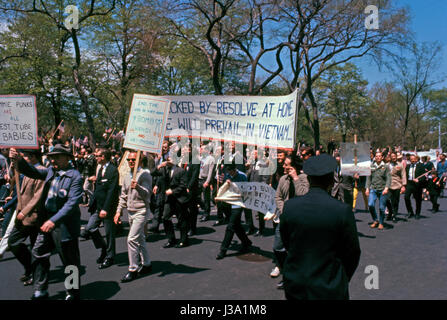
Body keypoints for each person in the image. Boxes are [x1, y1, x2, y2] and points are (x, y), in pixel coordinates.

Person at [280, 154, 361, 300]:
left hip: (296, 283)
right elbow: (353, 252)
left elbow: (287, 243)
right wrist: (341, 278)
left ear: (309, 179)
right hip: (329, 285)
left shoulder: (290, 207)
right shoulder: (342, 210)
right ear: (331, 181)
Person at [10, 145, 83, 300]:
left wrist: (53, 220)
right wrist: (18, 160)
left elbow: (71, 204)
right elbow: (33, 171)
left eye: (57, 156)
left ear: (68, 158)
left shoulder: (75, 176)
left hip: (64, 226)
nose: (53, 160)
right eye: (51, 156)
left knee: (69, 262)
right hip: (46, 223)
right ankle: (40, 290)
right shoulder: (51, 171)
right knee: (38, 253)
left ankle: (73, 292)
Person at [269, 155, 309, 288]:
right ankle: (286, 271)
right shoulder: (282, 179)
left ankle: (292, 278)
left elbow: (303, 194)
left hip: (299, 220)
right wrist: (283, 211)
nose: (284, 167)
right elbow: (278, 196)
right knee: (278, 247)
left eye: (287, 165)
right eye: (284, 165)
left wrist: (295, 178)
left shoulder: (304, 178)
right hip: (285, 218)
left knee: (295, 251)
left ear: (295, 167)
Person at [7, 149, 45, 287]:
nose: (24, 158)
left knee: (36, 248)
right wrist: (13, 161)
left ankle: (36, 276)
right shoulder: (27, 170)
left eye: (25, 156)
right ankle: (30, 268)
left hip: (33, 216)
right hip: (21, 214)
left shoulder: (41, 171)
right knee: (13, 242)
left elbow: (38, 196)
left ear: (33, 157)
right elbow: (13, 179)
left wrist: (26, 211)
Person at [114, 151, 153, 283]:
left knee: (131, 239)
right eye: (129, 160)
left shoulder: (145, 174)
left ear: (139, 161)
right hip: (130, 211)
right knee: (140, 238)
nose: (131, 162)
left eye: (133, 160)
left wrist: (138, 187)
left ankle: (133, 269)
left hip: (141, 211)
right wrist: (118, 211)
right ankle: (147, 263)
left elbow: (148, 194)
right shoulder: (126, 176)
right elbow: (123, 196)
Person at [85, 148, 120, 269]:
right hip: (97, 206)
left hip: (107, 208)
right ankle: (103, 248)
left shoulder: (113, 170)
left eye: (98, 156)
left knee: (109, 233)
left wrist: (105, 208)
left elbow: (112, 191)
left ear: (104, 156)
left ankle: (110, 256)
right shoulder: (100, 169)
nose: (96, 157)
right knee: (90, 228)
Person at [215, 163, 252, 260]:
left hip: (238, 203)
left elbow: (246, 191)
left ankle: (223, 250)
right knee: (236, 225)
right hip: (228, 203)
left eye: (231, 171)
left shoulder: (242, 176)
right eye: (228, 171)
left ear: (235, 169)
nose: (229, 173)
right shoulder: (227, 175)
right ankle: (246, 242)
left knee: (230, 226)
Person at [154, 155, 189, 248]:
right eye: (168, 159)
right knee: (165, 217)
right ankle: (171, 239)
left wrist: (173, 191)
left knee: (181, 220)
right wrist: (159, 166)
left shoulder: (181, 171)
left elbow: (183, 185)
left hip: (179, 198)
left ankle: (183, 240)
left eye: (171, 159)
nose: (169, 161)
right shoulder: (165, 170)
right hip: (169, 199)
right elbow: (153, 173)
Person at [366, 152, 391, 230]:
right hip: (373, 188)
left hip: (383, 189)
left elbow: (388, 178)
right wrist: (367, 188)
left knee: (381, 208)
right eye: (376, 156)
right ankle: (375, 220)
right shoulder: (371, 166)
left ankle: (381, 222)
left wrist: (387, 188)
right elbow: (368, 178)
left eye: (379, 156)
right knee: (370, 205)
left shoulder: (386, 167)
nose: (378, 157)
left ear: (382, 157)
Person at [404, 154, 426, 220]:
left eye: (414, 159)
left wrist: (418, 180)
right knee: (406, 197)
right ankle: (410, 212)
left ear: (416, 159)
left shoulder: (421, 166)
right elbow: (405, 175)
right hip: (409, 184)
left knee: (418, 200)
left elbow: (424, 176)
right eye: (411, 159)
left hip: (417, 184)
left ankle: (417, 213)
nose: (412, 160)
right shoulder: (407, 166)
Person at [386, 152, 406, 222]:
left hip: (397, 185)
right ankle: (390, 211)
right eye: (392, 156)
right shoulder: (387, 165)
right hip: (388, 185)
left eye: (395, 156)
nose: (394, 157)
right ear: (390, 157)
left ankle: (394, 215)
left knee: (395, 201)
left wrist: (403, 185)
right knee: (387, 199)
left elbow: (403, 175)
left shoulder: (400, 165)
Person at [198, 144, 215, 222]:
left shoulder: (211, 159)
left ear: (207, 150)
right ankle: (204, 209)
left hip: (205, 180)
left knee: (206, 198)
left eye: (202, 149)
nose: (200, 150)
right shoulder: (201, 158)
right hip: (199, 179)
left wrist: (208, 181)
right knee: (198, 197)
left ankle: (206, 213)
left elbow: (210, 172)